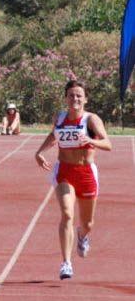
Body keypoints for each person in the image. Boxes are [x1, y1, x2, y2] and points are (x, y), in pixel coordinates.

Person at [35, 80, 112, 280]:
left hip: (86, 173)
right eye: (71, 95)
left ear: (85, 99)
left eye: (79, 95)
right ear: (66, 98)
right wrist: (40, 152)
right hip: (65, 172)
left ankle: (83, 235)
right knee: (67, 214)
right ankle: (66, 263)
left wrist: (91, 140)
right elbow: (53, 136)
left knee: (87, 223)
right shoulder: (59, 117)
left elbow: (107, 143)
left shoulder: (91, 120)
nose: (75, 99)